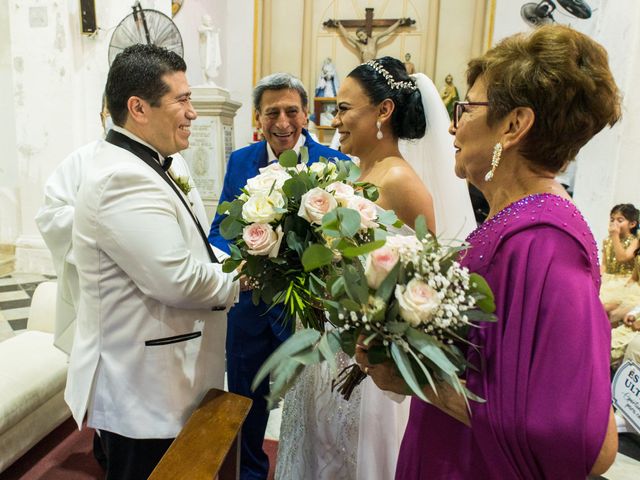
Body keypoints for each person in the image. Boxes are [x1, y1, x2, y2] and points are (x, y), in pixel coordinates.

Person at [358, 25, 620, 478]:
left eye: (467, 107)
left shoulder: (544, 243)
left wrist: (415, 377)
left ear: (515, 125)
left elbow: (590, 444)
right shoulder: (512, 225)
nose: (454, 123)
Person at [275, 57, 475, 479]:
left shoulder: (401, 182)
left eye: (345, 108)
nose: (336, 119)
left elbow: (424, 287)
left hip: (366, 362)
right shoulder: (349, 174)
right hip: (324, 345)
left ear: (383, 111)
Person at [64, 44, 239, 480]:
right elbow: (177, 279)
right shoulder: (121, 178)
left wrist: (242, 256)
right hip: (144, 392)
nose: (192, 113)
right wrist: (247, 277)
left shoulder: (154, 163)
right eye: (181, 99)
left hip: (167, 379)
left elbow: (193, 246)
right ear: (138, 108)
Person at [208, 72, 348, 480]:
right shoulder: (240, 161)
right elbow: (220, 227)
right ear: (258, 117)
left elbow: (345, 236)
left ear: (306, 113)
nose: (282, 122)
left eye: (291, 111)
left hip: (307, 312)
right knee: (245, 401)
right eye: (272, 112)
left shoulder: (333, 163)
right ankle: (248, 473)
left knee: (314, 407)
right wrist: (247, 256)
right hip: (249, 306)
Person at [599, 204, 639, 322]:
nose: (614, 223)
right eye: (612, 220)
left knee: (605, 309)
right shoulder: (607, 241)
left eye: (620, 220)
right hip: (608, 281)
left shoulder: (635, 241)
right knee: (594, 306)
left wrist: (615, 235)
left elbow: (622, 258)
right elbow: (605, 264)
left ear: (632, 224)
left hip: (625, 282)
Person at [336, 20, 406, 63]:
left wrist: (398, 23)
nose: (360, 37)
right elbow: (348, 36)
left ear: (365, 33)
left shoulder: (374, 39)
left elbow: (387, 32)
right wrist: (340, 25)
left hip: (373, 65)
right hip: (363, 66)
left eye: (361, 35)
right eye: (359, 36)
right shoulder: (359, 44)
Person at [199, 14, 221, 86]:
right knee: (204, 65)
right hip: (204, 51)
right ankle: (204, 81)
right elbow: (200, 30)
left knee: (210, 65)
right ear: (204, 21)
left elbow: (214, 33)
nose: (209, 21)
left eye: (210, 20)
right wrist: (209, 29)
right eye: (208, 20)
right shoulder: (202, 27)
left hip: (210, 52)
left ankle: (209, 80)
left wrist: (216, 32)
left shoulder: (210, 28)